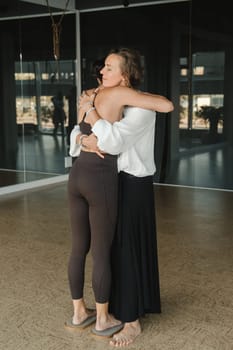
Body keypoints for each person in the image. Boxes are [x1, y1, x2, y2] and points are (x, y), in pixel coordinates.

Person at [66, 48, 174, 340]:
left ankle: (132, 321)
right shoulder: (105, 99)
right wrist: (85, 138)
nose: (102, 72)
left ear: (125, 75)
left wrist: (90, 112)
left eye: (110, 68)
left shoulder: (141, 108)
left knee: (126, 248)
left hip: (133, 183)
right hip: (110, 181)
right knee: (111, 248)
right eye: (103, 67)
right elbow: (78, 135)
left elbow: (112, 142)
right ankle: (114, 308)